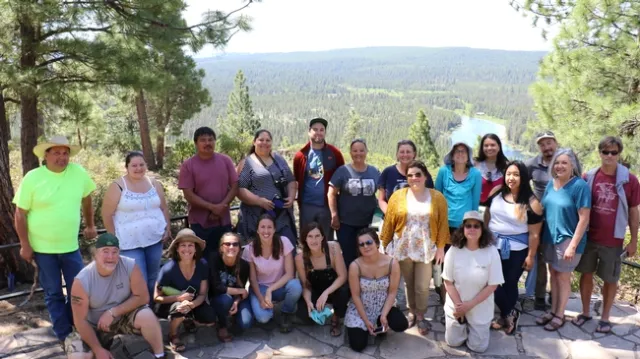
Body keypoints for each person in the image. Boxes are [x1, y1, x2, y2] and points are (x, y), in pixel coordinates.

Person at [13, 135, 97, 344]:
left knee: (78, 291)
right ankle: (64, 335)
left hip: (70, 246)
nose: (62, 157)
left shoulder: (79, 173)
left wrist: (90, 225)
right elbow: (20, 213)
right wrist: (25, 244)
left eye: (65, 153)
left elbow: (87, 199)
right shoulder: (33, 177)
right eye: (57, 152)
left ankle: (76, 327)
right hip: (42, 249)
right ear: (46, 155)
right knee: (53, 293)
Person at [573, 136, 639, 334]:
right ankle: (585, 312)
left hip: (614, 239)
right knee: (586, 274)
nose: (609, 156)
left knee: (610, 279)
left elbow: (634, 211)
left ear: (619, 154)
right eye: (605, 151)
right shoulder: (589, 176)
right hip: (590, 236)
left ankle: (605, 317)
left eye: (614, 152)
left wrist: (633, 240)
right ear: (599, 153)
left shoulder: (630, 180)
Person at [65, 234, 164, 359]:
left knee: (147, 315)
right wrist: (98, 349)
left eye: (114, 252)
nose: (110, 257)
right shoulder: (82, 280)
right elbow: (80, 321)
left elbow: (143, 297)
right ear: (95, 254)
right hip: (93, 327)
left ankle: (159, 355)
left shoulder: (130, 265)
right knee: (77, 356)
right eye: (105, 251)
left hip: (122, 319)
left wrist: (112, 312)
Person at [380, 160, 448, 335]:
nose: (414, 178)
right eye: (410, 175)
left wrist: (441, 247)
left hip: (426, 249)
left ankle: (421, 314)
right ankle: (412, 313)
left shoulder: (437, 197)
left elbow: (442, 224)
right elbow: (389, 222)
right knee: (409, 284)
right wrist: (385, 244)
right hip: (404, 247)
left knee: (422, 286)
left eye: (418, 174)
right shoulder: (398, 196)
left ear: (425, 176)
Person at [102, 151, 171, 299]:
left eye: (141, 164)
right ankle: (139, 317)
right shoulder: (118, 186)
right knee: (139, 281)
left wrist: (168, 228)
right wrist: (113, 240)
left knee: (153, 278)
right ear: (127, 167)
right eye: (134, 165)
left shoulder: (154, 184)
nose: (138, 168)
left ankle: (151, 313)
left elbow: (163, 208)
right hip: (128, 243)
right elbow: (107, 214)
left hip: (155, 239)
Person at [484, 161, 543, 335]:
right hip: (492, 245)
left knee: (510, 283)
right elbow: (486, 214)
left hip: (517, 249)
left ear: (523, 177)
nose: (511, 178)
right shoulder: (496, 193)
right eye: (508, 174)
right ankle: (509, 313)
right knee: (490, 281)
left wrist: (531, 256)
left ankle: (504, 317)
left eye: (516, 174)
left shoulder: (532, 203)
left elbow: (534, 234)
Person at [536, 149, 590, 331]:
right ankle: (553, 311)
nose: (559, 166)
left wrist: (573, 246)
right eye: (557, 163)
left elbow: (584, 218)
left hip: (568, 240)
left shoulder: (580, 186)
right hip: (549, 237)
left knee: (563, 277)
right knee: (554, 274)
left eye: (564, 163)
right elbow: (543, 208)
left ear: (572, 165)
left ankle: (560, 314)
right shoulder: (552, 184)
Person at [443, 211, 504, 353]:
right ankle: (462, 326)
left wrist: (469, 305)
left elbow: (493, 285)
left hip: (480, 307)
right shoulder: (453, 250)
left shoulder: (492, 252)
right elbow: (448, 282)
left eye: (476, 226)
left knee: (478, 348)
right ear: (463, 229)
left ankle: (475, 326)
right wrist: (460, 307)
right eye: (468, 225)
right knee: (453, 343)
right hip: (457, 307)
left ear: (482, 230)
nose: (472, 229)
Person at [344, 228, 408, 352]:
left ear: (377, 243)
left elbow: (392, 292)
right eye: (361, 244)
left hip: (383, 306)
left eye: (369, 242)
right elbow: (355, 296)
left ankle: (380, 322)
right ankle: (364, 327)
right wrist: (366, 320)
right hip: (362, 308)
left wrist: (384, 314)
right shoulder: (355, 266)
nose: (365, 246)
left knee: (401, 324)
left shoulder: (392, 263)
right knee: (358, 346)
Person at [179, 127, 238, 258]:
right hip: (200, 223)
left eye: (210, 139)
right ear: (196, 143)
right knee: (203, 261)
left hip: (224, 221)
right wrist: (212, 208)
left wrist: (222, 207)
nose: (207, 143)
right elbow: (188, 194)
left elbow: (235, 185)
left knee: (227, 258)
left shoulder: (225, 161)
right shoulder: (188, 165)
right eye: (203, 140)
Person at [153, 229, 216, 352]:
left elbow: (202, 294)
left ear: (195, 248)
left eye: (190, 245)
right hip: (170, 304)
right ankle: (173, 335)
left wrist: (191, 305)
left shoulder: (202, 264)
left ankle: (188, 319)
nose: (187, 249)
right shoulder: (168, 269)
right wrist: (178, 298)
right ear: (176, 248)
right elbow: (156, 297)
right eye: (183, 245)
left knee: (210, 318)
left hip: (194, 302)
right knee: (179, 308)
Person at [434, 142, 481, 304]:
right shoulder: (443, 172)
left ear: (468, 156)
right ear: (452, 156)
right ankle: (444, 297)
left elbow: (475, 203)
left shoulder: (475, 174)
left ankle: (462, 297)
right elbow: (436, 198)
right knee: (444, 263)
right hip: (444, 225)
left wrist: (473, 227)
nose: (460, 154)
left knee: (463, 262)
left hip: (464, 227)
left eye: (464, 152)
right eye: (457, 151)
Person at [242, 214, 302, 333]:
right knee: (263, 318)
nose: (266, 231)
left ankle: (286, 313)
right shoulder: (250, 249)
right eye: (262, 227)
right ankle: (260, 307)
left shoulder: (283, 242)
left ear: (274, 229)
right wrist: (261, 299)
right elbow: (252, 280)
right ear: (257, 230)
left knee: (295, 286)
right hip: (260, 288)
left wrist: (270, 290)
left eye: (269, 227)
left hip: (279, 285)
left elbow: (290, 274)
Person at [237, 130, 298, 245]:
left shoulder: (279, 159)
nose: (264, 143)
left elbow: (290, 180)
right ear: (254, 142)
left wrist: (291, 196)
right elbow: (240, 189)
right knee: (259, 253)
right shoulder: (247, 163)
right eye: (261, 140)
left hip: (281, 216)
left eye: (268, 140)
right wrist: (259, 201)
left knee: (288, 248)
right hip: (256, 218)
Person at [329, 139, 380, 266]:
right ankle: (349, 284)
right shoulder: (342, 171)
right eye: (355, 150)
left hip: (368, 224)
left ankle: (366, 282)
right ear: (350, 153)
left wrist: (379, 219)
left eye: (361, 150)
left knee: (367, 254)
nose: (358, 153)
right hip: (346, 223)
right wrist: (334, 215)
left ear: (366, 152)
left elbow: (383, 195)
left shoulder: (374, 171)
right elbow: (331, 193)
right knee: (349, 256)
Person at [294, 117, 345, 240]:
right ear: (309, 131)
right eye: (315, 129)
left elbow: (342, 179)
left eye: (322, 130)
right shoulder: (300, 155)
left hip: (327, 207)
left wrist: (337, 210)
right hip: (307, 205)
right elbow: (296, 180)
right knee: (306, 240)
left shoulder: (335, 153)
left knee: (326, 240)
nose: (318, 132)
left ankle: (327, 260)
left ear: (325, 132)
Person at [295, 222, 348, 337]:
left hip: (334, 288)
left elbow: (343, 276)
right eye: (310, 236)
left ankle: (335, 318)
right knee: (304, 313)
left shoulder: (333, 248)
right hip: (315, 289)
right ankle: (321, 308)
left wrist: (326, 293)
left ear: (323, 237)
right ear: (305, 238)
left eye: (317, 236)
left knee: (344, 291)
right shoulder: (300, 258)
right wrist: (308, 302)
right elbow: (306, 285)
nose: (314, 240)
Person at [524, 130, 558, 309]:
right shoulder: (532, 164)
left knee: (556, 259)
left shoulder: (565, 162)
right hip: (538, 220)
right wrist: (531, 201)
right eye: (542, 144)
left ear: (556, 143)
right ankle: (539, 296)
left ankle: (554, 295)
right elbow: (521, 182)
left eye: (549, 143)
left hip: (560, 221)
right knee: (538, 258)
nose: (546, 147)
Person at [209, 232, 253, 341]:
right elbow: (216, 287)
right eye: (227, 244)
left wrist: (237, 301)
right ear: (221, 247)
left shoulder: (244, 265)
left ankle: (232, 317)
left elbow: (241, 289)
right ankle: (222, 325)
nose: (231, 247)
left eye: (235, 244)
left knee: (246, 323)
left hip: (235, 298)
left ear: (239, 247)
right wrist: (240, 291)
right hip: (218, 297)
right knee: (225, 299)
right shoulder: (214, 259)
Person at [378, 140, 434, 215]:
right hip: (391, 220)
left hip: (416, 220)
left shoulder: (423, 174)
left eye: (408, 152)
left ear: (414, 154)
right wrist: (390, 215)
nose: (405, 155)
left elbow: (430, 198)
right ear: (397, 154)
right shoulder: (388, 172)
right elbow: (381, 200)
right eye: (402, 152)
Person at [475, 133, 509, 206]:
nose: (489, 148)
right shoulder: (475, 164)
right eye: (486, 146)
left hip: (498, 210)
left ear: (499, 147)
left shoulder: (507, 167)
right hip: (476, 208)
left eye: (493, 145)